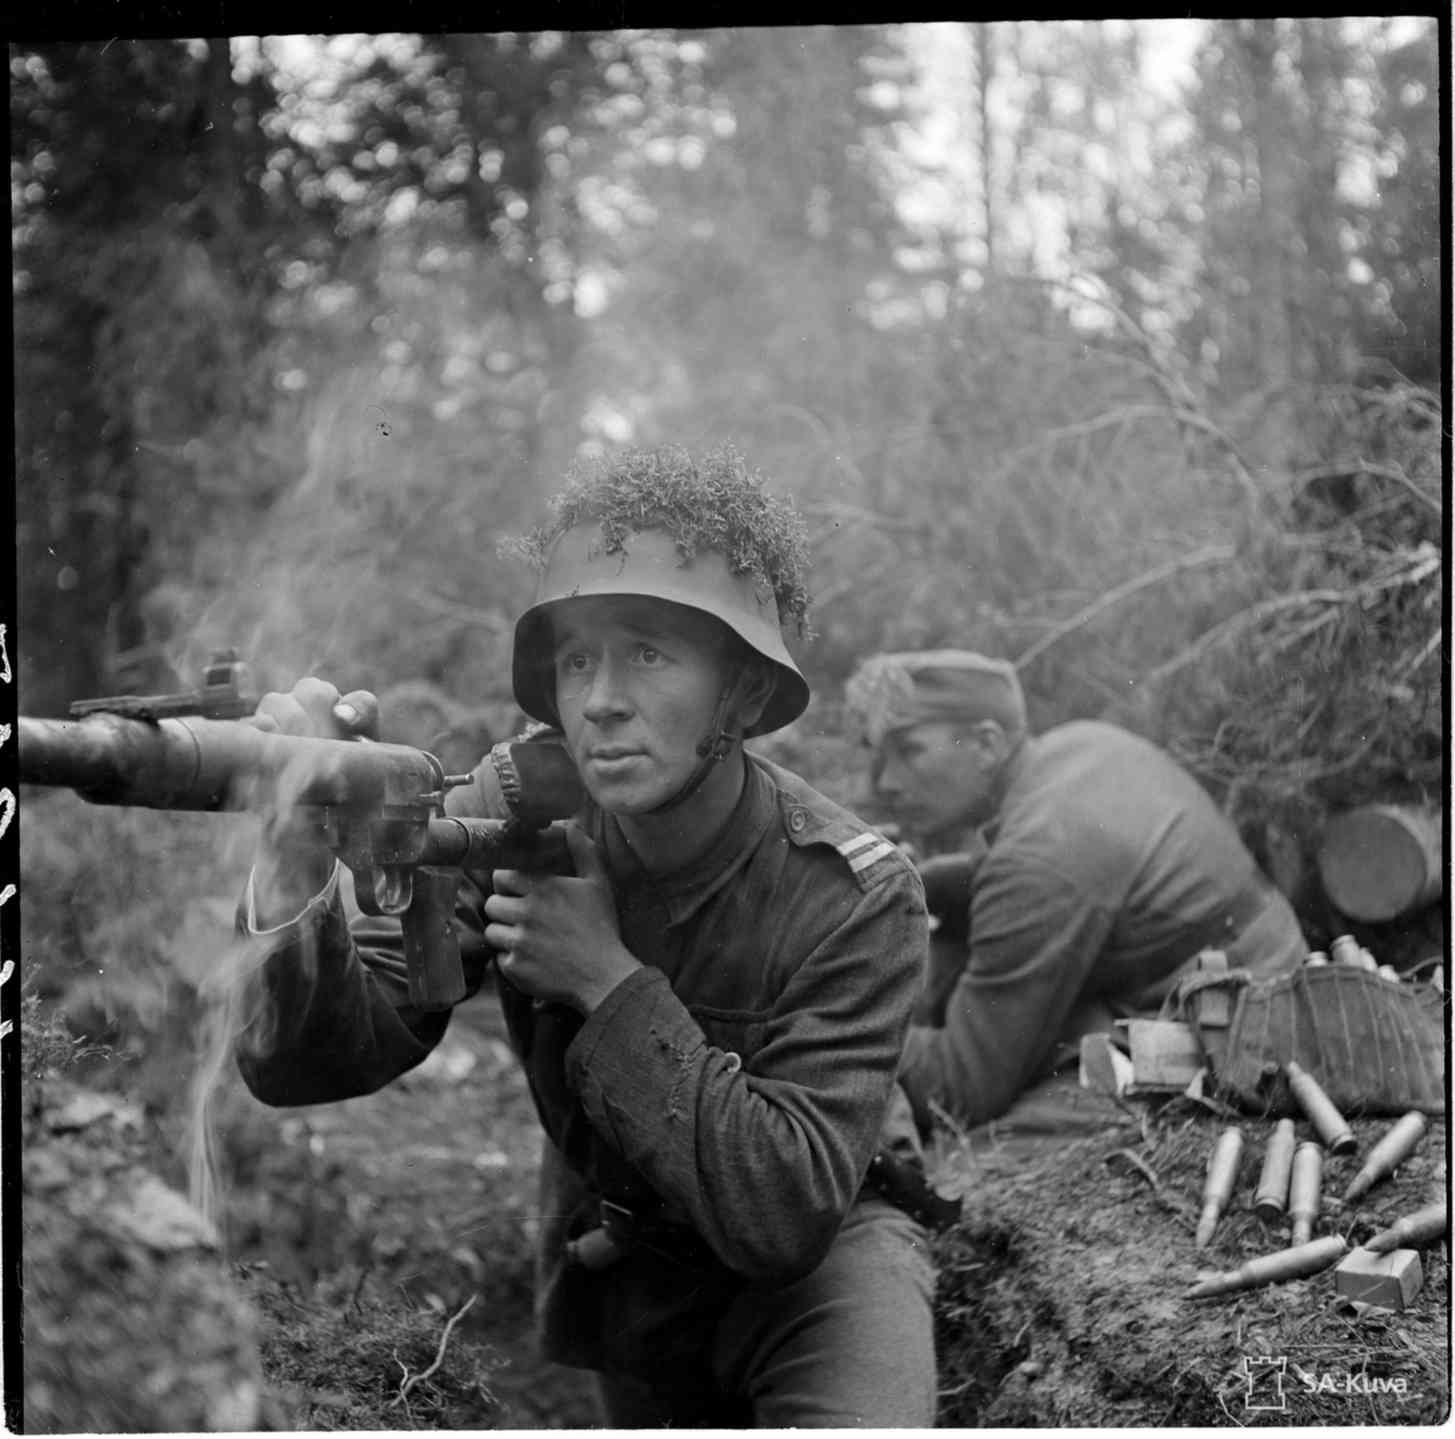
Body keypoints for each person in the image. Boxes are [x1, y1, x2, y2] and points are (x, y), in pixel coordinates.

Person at [232, 446, 938, 1427]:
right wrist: (294, 861)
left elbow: (785, 1212)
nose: (601, 697)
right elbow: (304, 1064)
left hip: (821, 1272)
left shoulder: (852, 893)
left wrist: (604, 978)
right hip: (628, 1266)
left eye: (648, 653)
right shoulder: (512, 811)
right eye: (576, 659)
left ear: (741, 693)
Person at [844, 648, 1308, 1138]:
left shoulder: (1037, 858)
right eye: (881, 757)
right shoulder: (1077, 745)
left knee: (968, 1164)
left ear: (986, 743)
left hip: (1246, 1035)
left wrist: (836, 1032)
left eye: (910, 751)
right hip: (1262, 974)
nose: (886, 782)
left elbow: (960, 1087)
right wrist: (938, 882)